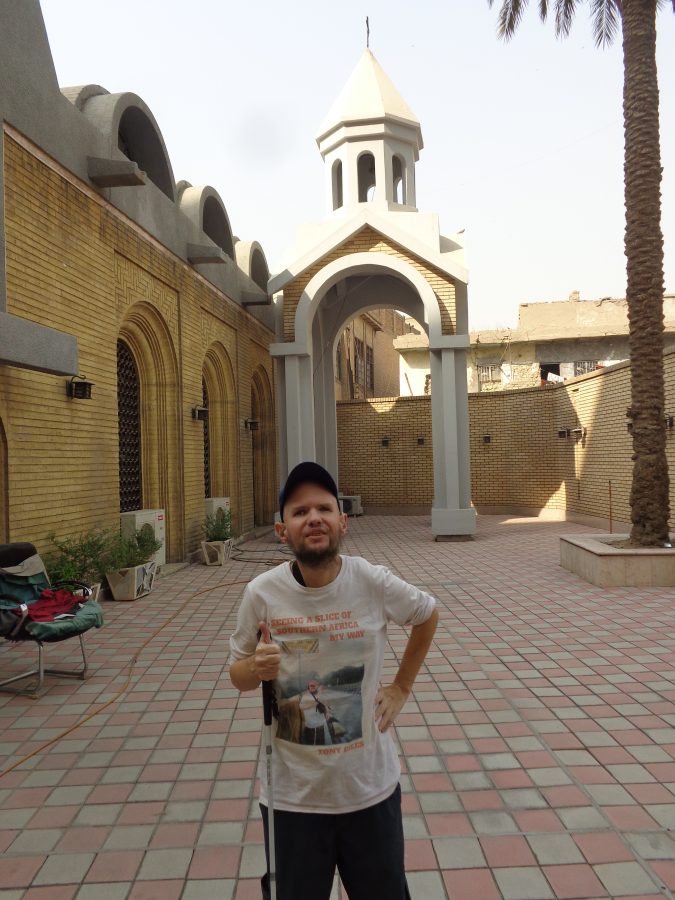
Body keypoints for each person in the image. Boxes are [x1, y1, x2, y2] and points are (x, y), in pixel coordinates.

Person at [229, 461, 439, 900]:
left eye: (324, 508)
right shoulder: (261, 594)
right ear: (281, 530)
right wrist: (257, 668)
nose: (313, 518)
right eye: (299, 511)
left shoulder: (371, 581)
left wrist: (400, 687)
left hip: (369, 792)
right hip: (292, 801)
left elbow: (427, 614)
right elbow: (238, 674)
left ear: (342, 522)